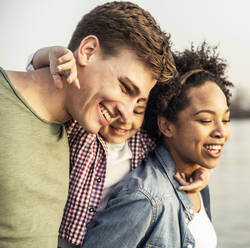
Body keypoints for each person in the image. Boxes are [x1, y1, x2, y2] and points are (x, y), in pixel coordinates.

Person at [0, 2, 176, 247]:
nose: (126, 112)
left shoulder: (82, 130)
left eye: (138, 100)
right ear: (88, 50)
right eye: (125, 88)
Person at [27, 46, 210, 248]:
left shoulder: (142, 142)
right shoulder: (81, 130)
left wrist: (200, 172)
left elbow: (174, 154)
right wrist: (50, 55)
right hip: (55, 239)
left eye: (138, 110)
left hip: (106, 235)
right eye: (122, 102)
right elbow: (40, 76)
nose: (125, 118)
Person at [82, 43, 233, 248]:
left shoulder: (198, 182)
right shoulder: (144, 199)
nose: (221, 132)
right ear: (166, 125)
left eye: (225, 120)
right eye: (205, 120)